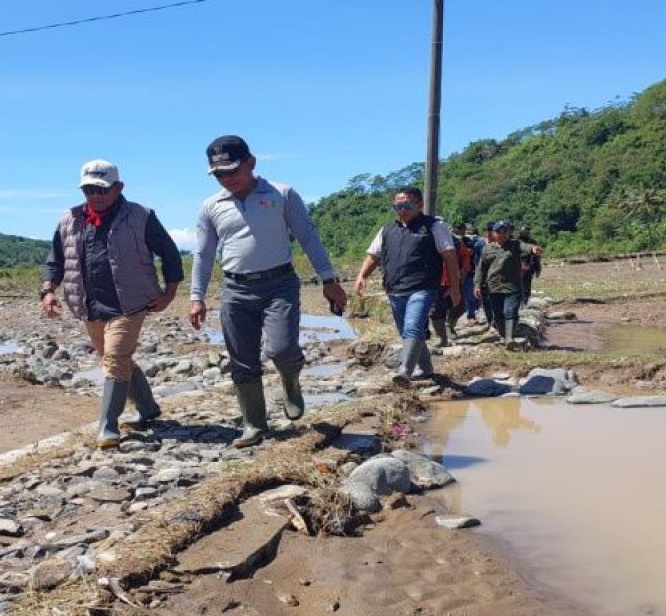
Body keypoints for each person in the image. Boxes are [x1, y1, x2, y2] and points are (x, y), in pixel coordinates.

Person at [189, 135, 348, 448]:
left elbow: (308, 237)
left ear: (251, 163)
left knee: (281, 349)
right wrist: (197, 296)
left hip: (279, 284)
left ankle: (290, 380)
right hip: (235, 287)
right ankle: (254, 424)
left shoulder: (282, 194)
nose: (227, 178)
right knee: (242, 359)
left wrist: (329, 280)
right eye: (219, 174)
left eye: (232, 170)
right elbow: (204, 254)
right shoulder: (211, 206)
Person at [41, 159, 183, 449]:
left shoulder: (141, 216)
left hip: (131, 302)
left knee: (115, 359)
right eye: (89, 190)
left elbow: (169, 254)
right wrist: (48, 290)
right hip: (89, 305)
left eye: (101, 190)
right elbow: (55, 259)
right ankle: (148, 408)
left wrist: (169, 292)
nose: (95, 196)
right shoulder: (69, 219)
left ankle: (107, 427)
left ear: (119, 187)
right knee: (117, 359)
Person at [353, 187, 461, 385]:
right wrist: (362, 275)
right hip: (395, 288)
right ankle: (426, 368)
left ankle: (405, 371)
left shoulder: (434, 227)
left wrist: (455, 287)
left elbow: (450, 257)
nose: (402, 209)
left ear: (420, 205)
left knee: (413, 326)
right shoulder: (387, 230)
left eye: (408, 205)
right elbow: (373, 256)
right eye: (398, 206)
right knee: (407, 331)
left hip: (423, 286)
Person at [474, 220, 541, 347]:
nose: (503, 234)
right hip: (494, 286)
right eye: (499, 231)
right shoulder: (487, 249)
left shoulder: (515, 245)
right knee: (498, 313)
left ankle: (509, 338)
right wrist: (477, 285)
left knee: (510, 311)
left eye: (506, 231)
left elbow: (525, 247)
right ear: (494, 233)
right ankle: (504, 336)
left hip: (512, 286)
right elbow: (481, 269)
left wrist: (533, 249)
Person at [429, 222, 474, 346]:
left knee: (459, 306)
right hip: (434, 281)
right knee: (436, 310)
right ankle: (442, 338)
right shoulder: (426, 241)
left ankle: (450, 325)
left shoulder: (456, 242)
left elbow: (465, 258)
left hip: (453, 279)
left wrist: (464, 272)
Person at [459, 224, 486, 323]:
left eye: (472, 234)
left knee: (475, 295)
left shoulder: (480, 244)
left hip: (476, 271)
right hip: (465, 272)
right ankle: (469, 314)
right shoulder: (461, 242)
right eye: (469, 233)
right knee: (467, 295)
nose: (471, 236)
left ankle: (474, 314)